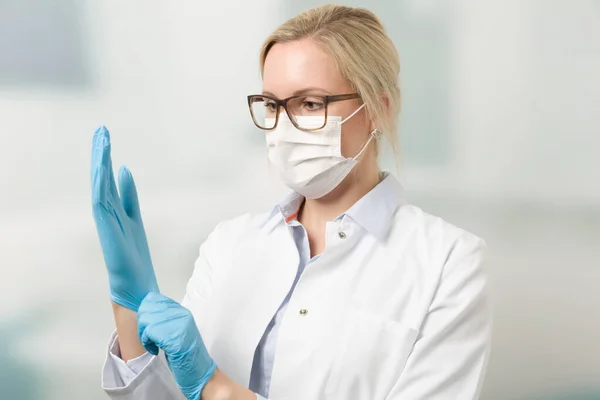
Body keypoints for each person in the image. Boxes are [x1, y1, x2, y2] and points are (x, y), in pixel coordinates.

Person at [91, 4, 491, 400]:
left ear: (378, 110)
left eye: (311, 104)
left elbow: (204, 387)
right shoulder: (229, 244)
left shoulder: (449, 263)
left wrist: (216, 389)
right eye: (272, 105)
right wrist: (130, 309)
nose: (283, 126)